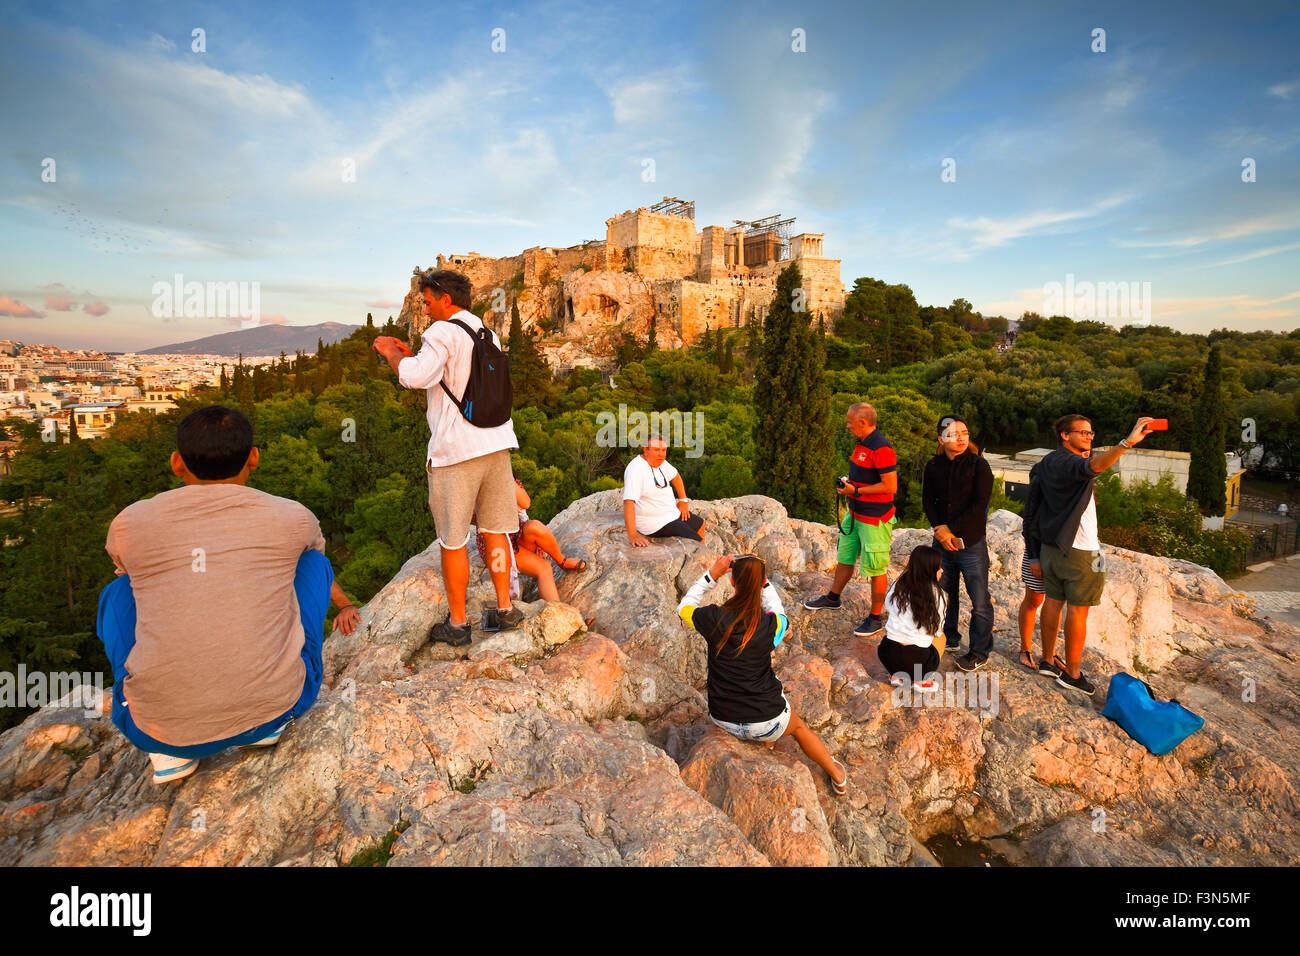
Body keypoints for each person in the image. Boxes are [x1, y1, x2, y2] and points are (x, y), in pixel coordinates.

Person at [97, 406, 359, 784]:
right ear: (254, 458)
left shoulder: (130, 523)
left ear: (176, 463)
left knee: (120, 591)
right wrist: (345, 603)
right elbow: (315, 569)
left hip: (152, 728)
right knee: (313, 564)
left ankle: (170, 753)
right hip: (278, 708)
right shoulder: (293, 516)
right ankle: (264, 724)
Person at [373, 269, 522, 646]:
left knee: (453, 541)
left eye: (427, 301)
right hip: (496, 445)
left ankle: (457, 625)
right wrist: (418, 359)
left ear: (445, 298)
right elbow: (451, 374)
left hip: (457, 451)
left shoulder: (440, 332)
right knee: (496, 530)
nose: (424, 308)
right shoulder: (488, 333)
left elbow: (414, 378)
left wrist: (392, 353)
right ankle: (505, 609)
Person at [678, 553, 847, 796]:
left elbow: (684, 607)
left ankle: (764, 742)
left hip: (722, 717)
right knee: (799, 728)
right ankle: (837, 776)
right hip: (768, 721)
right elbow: (781, 614)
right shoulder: (772, 625)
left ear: (732, 582)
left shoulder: (713, 618)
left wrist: (712, 574)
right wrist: (765, 583)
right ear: (760, 583)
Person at [1028, 414, 1156, 695]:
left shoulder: (1046, 463)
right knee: (1078, 610)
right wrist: (1127, 443)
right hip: (1080, 550)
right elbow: (1094, 466)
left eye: (1091, 432)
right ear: (1064, 435)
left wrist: (1034, 554)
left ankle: (1048, 661)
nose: (1088, 436)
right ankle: (1072, 674)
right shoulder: (1071, 462)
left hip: (1052, 548)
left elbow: (1033, 509)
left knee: (1052, 601)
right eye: (1082, 432)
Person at [804, 402, 897, 639]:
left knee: (875, 567)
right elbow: (864, 476)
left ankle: (875, 618)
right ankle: (833, 598)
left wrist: (855, 491)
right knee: (845, 557)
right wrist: (849, 484)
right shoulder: (861, 444)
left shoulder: (882, 448)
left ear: (863, 422)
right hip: (854, 514)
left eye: (849, 421)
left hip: (874, 519)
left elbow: (890, 486)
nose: (846, 425)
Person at [922, 415, 994, 672]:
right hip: (942, 543)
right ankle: (949, 637)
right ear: (941, 439)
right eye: (953, 434)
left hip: (971, 544)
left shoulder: (979, 466)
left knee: (979, 600)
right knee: (943, 593)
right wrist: (939, 531)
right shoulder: (933, 466)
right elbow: (928, 501)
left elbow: (979, 506)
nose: (961, 437)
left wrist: (950, 529)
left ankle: (979, 650)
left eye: (964, 432)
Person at [474, 477, 587, 603]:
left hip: (517, 534)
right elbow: (474, 516)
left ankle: (562, 561)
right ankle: (561, 615)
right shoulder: (477, 481)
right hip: (499, 543)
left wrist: (502, 474)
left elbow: (525, 503)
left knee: (535, 527)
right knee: (544, 568)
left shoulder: (507, 477)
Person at [877, 545, 947, 691]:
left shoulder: (898, 586)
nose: (942, 570)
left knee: (893, 635)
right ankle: (921, 680)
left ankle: (896, 676)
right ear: (930, 570)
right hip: (919, 662)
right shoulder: (939, 595)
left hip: (888, 654)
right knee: (942, 637)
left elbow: (889, 607)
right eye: (939, 567)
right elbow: (937, 630)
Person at [1017, 459, 1061, 673]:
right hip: (1038, 550)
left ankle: (1050, 653)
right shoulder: (1039, 488)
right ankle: (1025, 648)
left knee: (1056, 602)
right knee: (1034, 599)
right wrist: (1034, 557)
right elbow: (1028, 524)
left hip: (1062, 553)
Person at [623, 433, 707, 546]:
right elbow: (628, 502)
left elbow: (676, 476)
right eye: (657, 450)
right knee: (696, 541)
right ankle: (705, 561)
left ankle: (705, 558)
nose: (661, 454)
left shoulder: (659, 461)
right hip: (655, 523)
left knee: (700, 524)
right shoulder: (636, 469)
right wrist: (632, 535)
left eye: (664, 450)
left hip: (671, 514)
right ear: (645, 450)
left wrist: (683, 500)